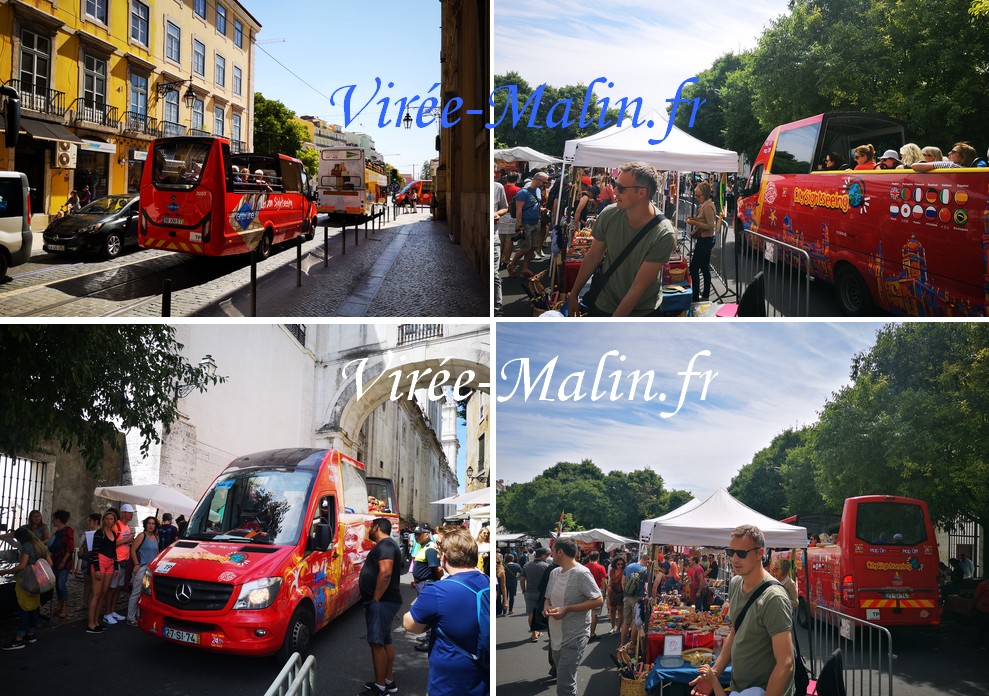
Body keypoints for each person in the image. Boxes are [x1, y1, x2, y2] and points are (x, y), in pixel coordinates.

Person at [689, 524, 794, 696]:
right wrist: (713, 675)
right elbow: (736, 631)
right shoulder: (736, 583)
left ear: (760, 553)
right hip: (740, 689)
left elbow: (786, 663)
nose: (734, 559)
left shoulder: (773, 598)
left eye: (742, 553)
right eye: (731, 553)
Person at [567, 161, 677, 317]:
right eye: (615, 184)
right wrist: (574, 293)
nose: (615, 192)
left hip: (643, 311)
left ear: (642, 193)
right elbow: (593, 255)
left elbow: (638, 287)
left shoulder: (663, 233)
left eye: (621, 188)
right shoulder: (609, 214)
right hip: (604, 302)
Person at [403, 526, 488, 696]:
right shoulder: (487, 581)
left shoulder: (437, 590)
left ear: (444, 557)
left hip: (450, 684)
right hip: (484, 677)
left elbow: (410, 625)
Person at [543, 538, 604, 696]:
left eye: (552, 549)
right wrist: (547, 607)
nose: (551, 553)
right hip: (556, 634)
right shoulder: (554, 572)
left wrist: (567, 609)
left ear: (560, 552)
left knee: (564, 685)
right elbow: (548, 597)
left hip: (574, 635)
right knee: (567, 677)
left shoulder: (581, 573)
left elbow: (598, 599)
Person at [358, 517, 404, 696]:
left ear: (376, 527)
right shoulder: (389, 545)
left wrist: (375, 599)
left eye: (370, 527)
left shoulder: (385, 546)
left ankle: (380, 688)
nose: (369, 530)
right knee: (385, 640)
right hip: (385, 601)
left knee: (376, 643)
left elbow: (385, 574)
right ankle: (388, 681)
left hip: (382, 602)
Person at [0, 527, 52, 649]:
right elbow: (50, 563)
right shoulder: (40, 545)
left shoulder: (26, 547)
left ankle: (19, 638)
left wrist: (5, 571)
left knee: (24, 609)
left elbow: (22, 566)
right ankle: (31, 634)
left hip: (26, 580)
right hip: (39, 580)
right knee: (34, 607)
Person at [508, 171, 549, 279]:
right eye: (544, 182)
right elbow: (519, 210)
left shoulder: (538, 191)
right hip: (526, 224)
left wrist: (541, 209)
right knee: (525, 248)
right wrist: (519, 225)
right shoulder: (523, 193)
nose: (545, 184)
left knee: (532, 248)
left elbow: (533, 205)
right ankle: (511, 265)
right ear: (537, 179)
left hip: (536, 222)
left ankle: (525, 268)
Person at [88, 510, 119, 633]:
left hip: (110, 564)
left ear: (114, 521)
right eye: (107, 519)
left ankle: (96, 621)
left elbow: (114, 550)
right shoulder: (99, 533)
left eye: (111, 519)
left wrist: (116, 567)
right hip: (100, 563)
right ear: (103, 520)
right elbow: (95, 551)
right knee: (96, 594)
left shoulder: (113, 533)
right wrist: (96, 569)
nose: (109, 521)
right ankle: (90, 623)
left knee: (103, 593)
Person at [686, 181, 718, 302]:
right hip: (705, 239)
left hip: (705, 240)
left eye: (698, 195)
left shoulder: (708, 206)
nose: (696, 198)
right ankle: (704, 296)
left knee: (694, 268)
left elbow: (710, 226)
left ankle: (695, 297)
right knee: (704, 267)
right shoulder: (706, 205)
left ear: (704, 195)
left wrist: (694, 222)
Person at [105, 503, 135, 625]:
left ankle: (112, 611)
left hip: (124, 560)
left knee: (118, 588)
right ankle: (107, 613)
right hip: (116, 561)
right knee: (112, 588)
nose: (131, 514)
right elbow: (110, 544)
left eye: (132, 513)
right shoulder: (116, 526)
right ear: (123, 513)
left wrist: (130, 543)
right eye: (129, 512)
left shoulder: (126, 526)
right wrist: (127, 540)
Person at [127, 516, 160, 626]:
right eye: (149, 523)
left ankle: (139, 615)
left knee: (145, 594)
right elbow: (132, 549)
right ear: (145, 525)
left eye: (153, 524)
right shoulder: (142, 535)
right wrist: (136, 564)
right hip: (141, 567)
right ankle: (130, 617)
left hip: (151, 570)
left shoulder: (156, 537)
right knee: (136, 592)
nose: (151, 525)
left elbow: (156, 553)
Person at [521, 546, 551, 641]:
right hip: (542, 593)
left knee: (531, 613)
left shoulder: (527, 565)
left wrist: (524, 590)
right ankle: (545, 631)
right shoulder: (546, 566)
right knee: (544, 612)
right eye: (546, 555)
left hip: (529, 592)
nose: (546, 557)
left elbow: (522, 579)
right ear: (542, 556)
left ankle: (534, 633)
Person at [620, 551, 650, 647]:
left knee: (626, 622)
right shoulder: (644, 569)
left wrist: (626, 592)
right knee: (635, 622)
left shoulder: (629, 566)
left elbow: (623, 582)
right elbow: (647, 583)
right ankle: (632, 645)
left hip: (627, 597)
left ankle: (621, 644)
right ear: (646, 559)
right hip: (638, 597)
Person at [48, 509, 74, 618]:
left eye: (54, 519)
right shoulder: (57, 532)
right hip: (56, 561)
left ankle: (65, 607)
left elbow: (70, 547)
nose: (52, 520)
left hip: (64, 562)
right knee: (57, 586)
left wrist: (64, 561)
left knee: (61, 583)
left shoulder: (68, 530)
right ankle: (59, 605)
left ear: (58, 520)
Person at [493, 180, 510, 315]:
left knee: (494, 275)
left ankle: (497, 310)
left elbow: (505, 207)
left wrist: (497, 213)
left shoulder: (498, 187)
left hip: (494, 237)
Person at [78, 512, 100, 613]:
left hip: (96, 561)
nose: (88, 522)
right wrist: (81, 551)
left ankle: (93, 602)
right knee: (87, 582)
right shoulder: (86, 533)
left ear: (96, 521)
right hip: (87, 560)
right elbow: (81, 547)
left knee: (95, 583)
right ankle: (85, 602)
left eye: (89, 521)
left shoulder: (101, 533)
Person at [584, 550, 608, 639]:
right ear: (598, 557)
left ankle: (586, 632)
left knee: (586, 612)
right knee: (594, 614)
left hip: (586, 591)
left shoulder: (584, 567)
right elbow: (604, 580)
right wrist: (605, 593)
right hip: (597, 591)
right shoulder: (601, 567)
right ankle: (592, 633)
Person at [912, 142, 978, 171]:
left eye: (953, 152)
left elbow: (915, 166)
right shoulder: (977, 170)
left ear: (963, 157)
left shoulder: (950, 165)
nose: (949, 153)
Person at [607, 556, 626, 634]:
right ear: (615, 564)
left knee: (620, 610)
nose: (620, 566)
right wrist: (609, 586)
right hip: (612, 591)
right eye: (618, 564)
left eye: (622, 564)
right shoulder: (612, 570)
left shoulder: (624, 571)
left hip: (621, 592)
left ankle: (618, 628)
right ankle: (612, 627)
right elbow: (610, 580)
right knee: (612, 610)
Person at [975, 575, 989, 650]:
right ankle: (981, 643)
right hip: (983, 608)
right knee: (982, 627)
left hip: (983, 607)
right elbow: (977, 595)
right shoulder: (983, 584)